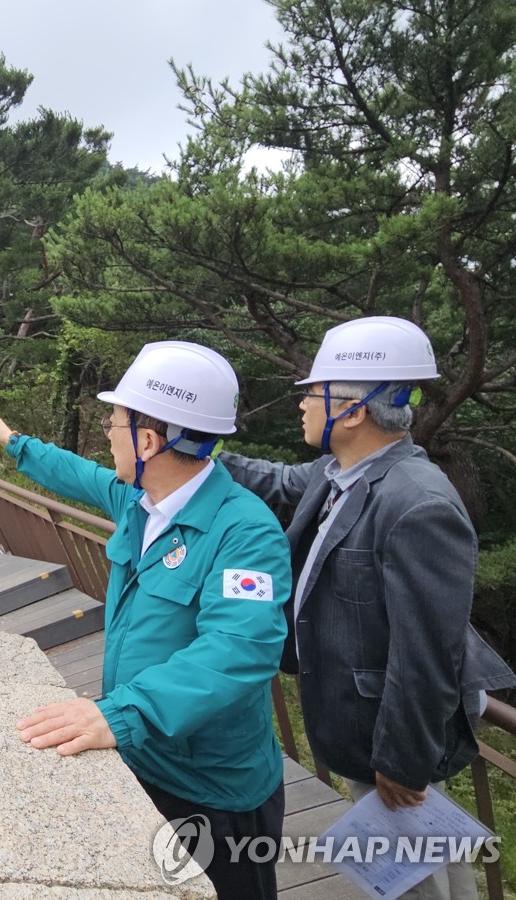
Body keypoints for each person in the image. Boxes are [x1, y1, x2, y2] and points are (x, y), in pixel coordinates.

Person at [0, 341, 291, 900]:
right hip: (141, 758)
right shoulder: (140, 501)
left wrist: (120, 714)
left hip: (212, 792)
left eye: (114, 421)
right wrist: (12, 441)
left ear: (149, 440)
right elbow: (80, 476)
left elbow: (240, 648)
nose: (105, 431)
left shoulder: (245, 532)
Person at [220, 316, 516, 900]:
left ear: (354, 410)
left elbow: (428, 654)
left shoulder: (416, 502)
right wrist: (193, 450)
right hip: (358, 722)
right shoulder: (342, 472)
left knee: (408, 879)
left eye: (315, 390)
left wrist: (403, 762)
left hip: (383, 736)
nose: (302, 400)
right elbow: (277, 480)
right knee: (430, 863)